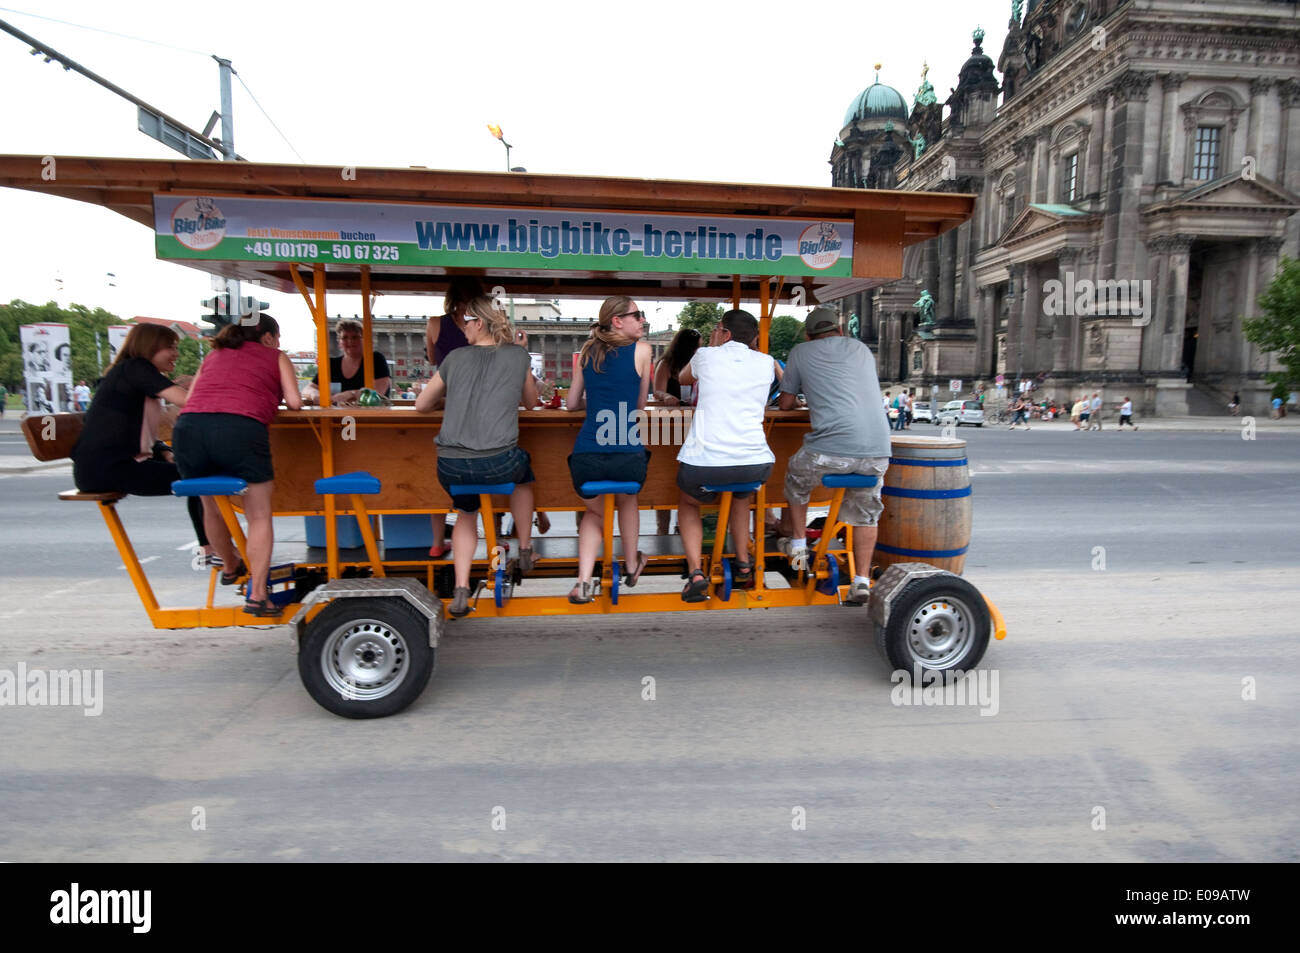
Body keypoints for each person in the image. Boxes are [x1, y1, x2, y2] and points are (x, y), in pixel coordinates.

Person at [416, 295, 540, 618]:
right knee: (524, 473)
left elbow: (421, 405)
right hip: (498, 461)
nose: (462, 328)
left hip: (451, 465)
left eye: (466, 322)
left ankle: (460, 588)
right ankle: (525, 548)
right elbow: (531, 402)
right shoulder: (517, 355)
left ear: (480, 323)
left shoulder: (455, 358)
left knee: (465, 512)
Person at [172, 314, 303, 617]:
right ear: (269, 337)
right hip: (240, 427)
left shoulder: (216, 354)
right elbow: (295, 403)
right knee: (258, 515)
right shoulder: (275, 356)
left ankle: (230, 566)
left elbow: (190, 398)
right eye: (278, 337)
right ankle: (258, 595)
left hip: (189, 429)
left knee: (211, 505)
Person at [776, 308, 890, 605]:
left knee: (795, 476)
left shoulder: (801, 351)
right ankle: (862, 581)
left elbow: (786, 404)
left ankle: (799, 546)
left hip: (830, 450)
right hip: (878, 451)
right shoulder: (862, 348)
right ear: (840, 330)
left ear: (809, 335)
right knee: (867, 513)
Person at [70, 323, 211, 561]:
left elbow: (133, 427)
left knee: (200, 474)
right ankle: (210, 549)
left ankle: (211, 548)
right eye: (171, 348)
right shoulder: (136, 367)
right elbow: (186, 400)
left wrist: (163, 450)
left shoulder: (128, 372)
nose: (176, 354)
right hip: (110, 469)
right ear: (149, 347)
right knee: (203, 480)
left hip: (104, 466)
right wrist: (209, 373)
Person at [674, 309, 776, 602]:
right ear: (754, 337)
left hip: (706, 465)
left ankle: (695, 572)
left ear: (725, 333)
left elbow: (682, 378)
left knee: (689, 501)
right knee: (741, 495)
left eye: (718, 330)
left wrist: (712, 347)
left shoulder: (706, 355)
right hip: (757, 463)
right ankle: (743, 561)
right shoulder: (766, 361)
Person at [564, 296, 653, 604]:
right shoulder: (643, 351)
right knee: (629, 498)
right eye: (637, 315)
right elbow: (640, 406)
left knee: (593, 511)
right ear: (618, 321)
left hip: (588, 454)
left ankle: (584, 581)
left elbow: (572, 404)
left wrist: (598, 403)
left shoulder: (587, 351)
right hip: (627, 454)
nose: (642, 320)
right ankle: (631, 566)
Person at [652, 326, 702, 536]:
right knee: (665, 477)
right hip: (669, 424)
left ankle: (683, 526)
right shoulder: (666, 363)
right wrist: (665, 396)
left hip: (694, 423)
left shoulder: (700, 364)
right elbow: (657, 390)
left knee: (688, 479)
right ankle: (662, 528)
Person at [301, 318, 391, 405]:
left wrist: (351, 394)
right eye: (344, 338)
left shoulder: (376, 359)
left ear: (365, 340)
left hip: (371, 417)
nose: (350, 341)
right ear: (339, 343)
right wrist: (316, 395)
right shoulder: (332, 364)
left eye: (355, 337)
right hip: (337, 418)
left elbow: (379, 391)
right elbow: (309, 388)